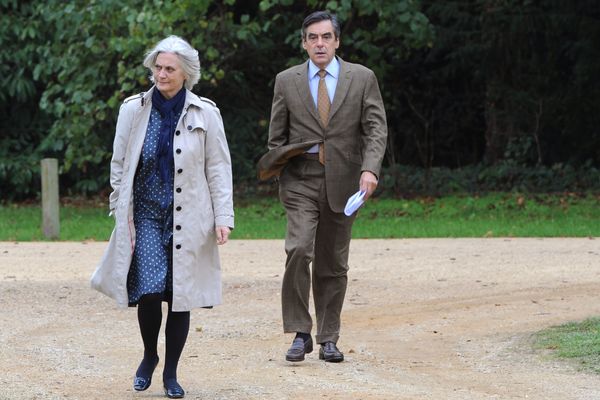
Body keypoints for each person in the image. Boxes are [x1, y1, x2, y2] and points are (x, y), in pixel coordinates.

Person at [91, 35, 234, 398]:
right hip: (146, 212)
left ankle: (171, 373)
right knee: (151, 289)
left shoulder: (206, 113)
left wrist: (223, 216)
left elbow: (218, 167)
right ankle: (149, 355)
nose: (161, 74)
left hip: (191, 215)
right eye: (158, 67)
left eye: (169, 69)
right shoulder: (133, 109)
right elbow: (119, 163)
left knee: (181, 294)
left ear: (186, 74)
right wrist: (117, 207)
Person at [257, 11, 387, 363]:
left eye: (326, 37)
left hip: (346, 182)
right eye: (312, 37)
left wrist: (370, 170)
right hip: (300, 178)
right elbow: (276, 138)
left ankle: (329, 337)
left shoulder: (362, 78)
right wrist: (281, 162)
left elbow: (375, 129)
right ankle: (300, 332)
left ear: (337, 41)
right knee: (299, 249)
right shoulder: (287, 81)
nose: (319, 43)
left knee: (333, 262)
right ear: (303, 42)